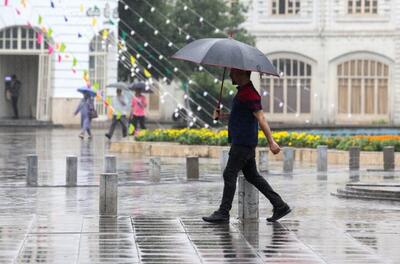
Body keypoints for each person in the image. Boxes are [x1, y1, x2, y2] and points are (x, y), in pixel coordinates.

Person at [202, 68, 291, 224]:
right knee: (252, 176)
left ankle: (223, 212)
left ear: (241, 74)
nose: (230, 75)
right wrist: (221, 115)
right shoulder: (243, 92)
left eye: (232, 73)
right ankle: (280, 205)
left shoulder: (249, 93)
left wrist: (271, 142)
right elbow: (241, 115)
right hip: (243, 141)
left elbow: (261, 117)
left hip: (243, 143)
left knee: (229, 174)